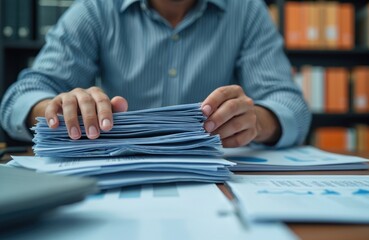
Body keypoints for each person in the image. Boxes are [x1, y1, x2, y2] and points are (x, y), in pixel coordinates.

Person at [0, 0, 311, 148]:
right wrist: (55, 109)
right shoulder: (96, 9)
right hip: (114, 175)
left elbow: (290, 105)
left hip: (219, 182)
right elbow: (21, 96)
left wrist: (256, 120)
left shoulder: (246, 11)